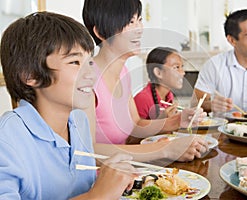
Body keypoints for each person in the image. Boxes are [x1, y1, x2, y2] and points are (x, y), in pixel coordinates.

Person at [0, 12, 136, 199]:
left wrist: (109, 182)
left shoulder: (78, 120)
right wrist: (96, 196)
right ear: (30, 75)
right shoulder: (7, 139)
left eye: (89, 62)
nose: (91, 75)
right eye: (74, 62)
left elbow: (81, 190)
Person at [82, 0, 209, 162]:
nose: (139, 29)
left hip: (126, 169)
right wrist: (164, 149)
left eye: (139, 20)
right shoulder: (87, 80)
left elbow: (136, 125)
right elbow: (88, 149)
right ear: (100, 32)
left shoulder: (123, 72)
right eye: (130, 22)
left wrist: (177, 120)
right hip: (101, 178)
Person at [134, 47, 185, 120]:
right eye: (176, 67)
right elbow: (136, 130)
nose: (183, 73)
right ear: (158, 72)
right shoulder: (142, 99)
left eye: (181, 67)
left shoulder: (168, 95)